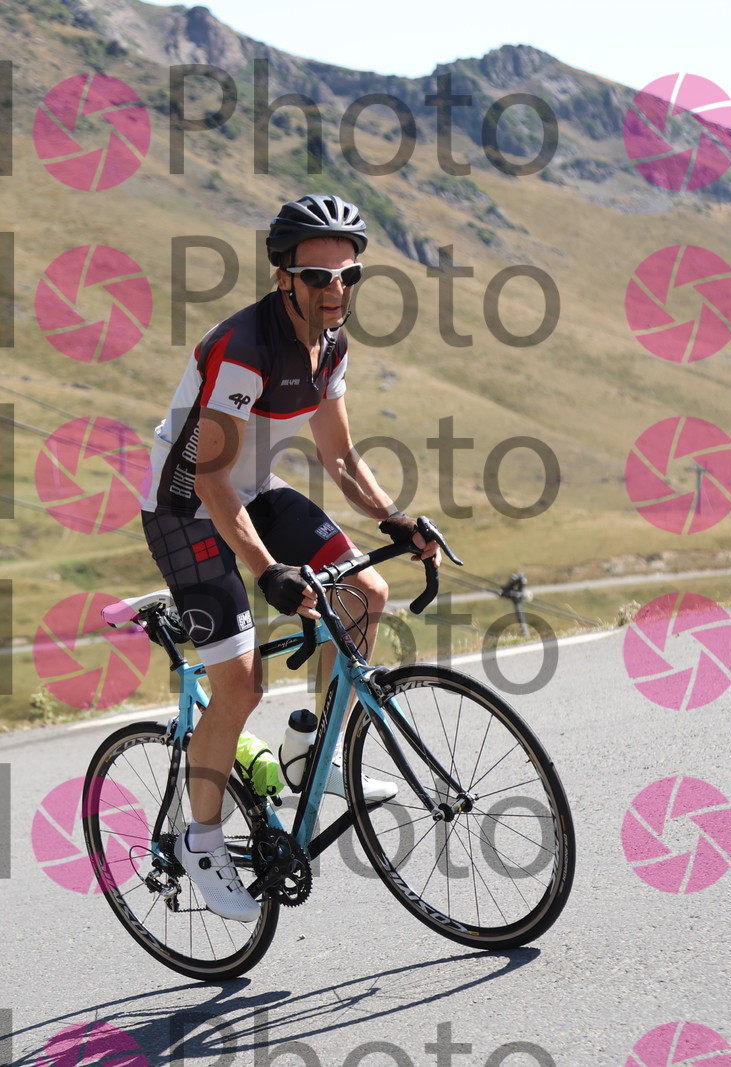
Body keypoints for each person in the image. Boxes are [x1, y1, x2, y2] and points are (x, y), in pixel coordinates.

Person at [138, 193, 441, 922]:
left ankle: (313, 756)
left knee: (366, 593)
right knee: (241, 685)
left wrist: (394, 518)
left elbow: (340, 455)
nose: (335, 290)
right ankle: (200, 840)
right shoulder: (246, 348)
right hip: (185, 507)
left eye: (348, 276)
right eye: (317, 276)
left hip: (253, 491)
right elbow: (210, 479)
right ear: (284, 277)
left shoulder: (331, 345)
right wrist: (267, 569)